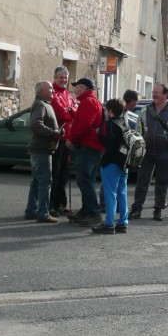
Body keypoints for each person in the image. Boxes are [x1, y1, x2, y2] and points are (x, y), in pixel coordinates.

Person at [131, 83, 168, 222]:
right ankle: (136, 209)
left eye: (157, 92)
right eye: (153, 92)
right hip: (146, 153)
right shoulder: (145, 110)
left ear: (165, 95)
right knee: (142, 182)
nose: (154, 94)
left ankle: (158, 210)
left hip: (164, 153)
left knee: (162, 183)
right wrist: (139, 149)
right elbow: (138, 131)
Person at [66, 77, 104, 226]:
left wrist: (71, 139)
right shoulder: (92, 101)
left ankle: (93, 212)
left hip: (89, 146)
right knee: (88, 179)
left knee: (84, 179)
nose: (76, 89)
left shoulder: (88, 102)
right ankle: (86, 211)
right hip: (94, 146)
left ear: (84, 88)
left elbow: (83, 125)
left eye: (78, 86)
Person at [24, 81, 62, 223]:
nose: (53, 90)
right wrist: (53, 133)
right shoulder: (40, 105)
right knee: (45, 181)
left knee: (36, 181)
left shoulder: (43, 104)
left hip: (40, 149)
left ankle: (31, 210)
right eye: (50, 88)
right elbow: (35, 124)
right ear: (41, 91)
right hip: (41, 150)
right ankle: (43, 213)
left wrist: (56, 131)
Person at [93, 99, 129, 234]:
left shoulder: (110, 124)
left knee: (110, 194)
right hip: (124, 163)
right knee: (122, 193)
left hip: (111, 163)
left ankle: (109, 223)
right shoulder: (124, 122)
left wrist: (97, 133)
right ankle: (123, 222)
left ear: (110, 111)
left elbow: (109, 144)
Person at [48, 66, 77, 216]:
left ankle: (61, 203)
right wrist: (71, 111)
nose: (63, 80)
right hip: (57, 140)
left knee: (64, 174)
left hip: (68, 140)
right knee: (56, 173)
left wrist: (71, 111)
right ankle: (51, 205)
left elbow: (75, 111)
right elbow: (61, 113)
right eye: (61, 77)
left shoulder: (67, 94)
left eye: (65, 77)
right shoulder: (53, 94)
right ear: (55, 78)